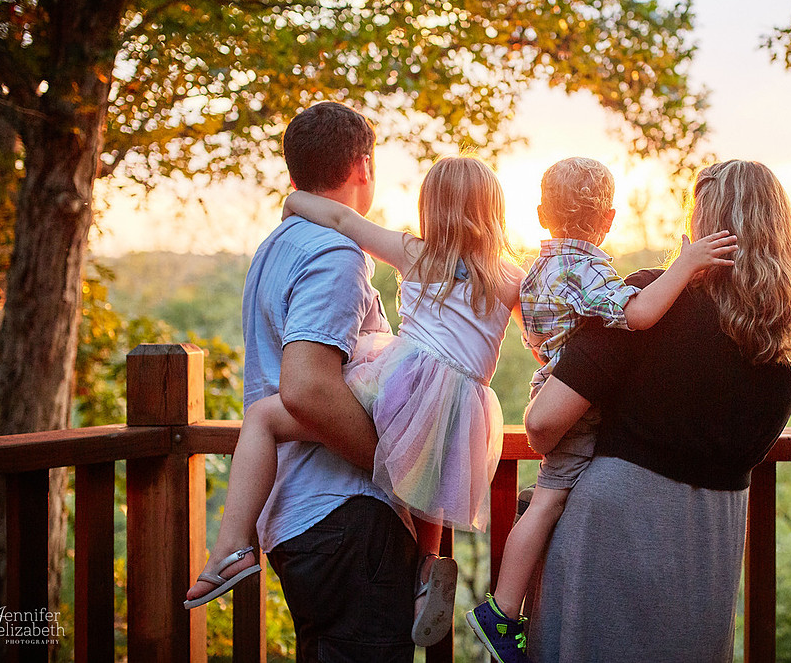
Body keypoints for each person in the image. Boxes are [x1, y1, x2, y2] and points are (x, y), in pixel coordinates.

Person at [187, 151, 524, 649]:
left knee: (262, 417)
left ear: (430, 206)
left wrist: (295, 199)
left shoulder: (417, 253)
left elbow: (345, 219)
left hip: (407, 384)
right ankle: (428, 567)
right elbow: (543, 334)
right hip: (462, 410)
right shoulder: (510, 277)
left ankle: (234, 545)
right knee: (425, 467)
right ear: (496, 211)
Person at [522, 160, 791, 662]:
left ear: (704, 225)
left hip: (613, 528)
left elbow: (542, 422)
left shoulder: (649, 303)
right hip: (711, 540)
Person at [465, 157, 737, 663]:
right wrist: (685, 266)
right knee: (547, 501)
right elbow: (638, 313)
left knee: (547, 498)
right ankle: (501, 613)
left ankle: (505, 608)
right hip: (571, 410)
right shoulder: (588, 271)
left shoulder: (539, 270)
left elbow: (534, 331)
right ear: (609, 220)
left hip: (552, 387)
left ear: (542, 213)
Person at [183, 102, 419, 661]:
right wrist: (400, 467)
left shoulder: (275, 248)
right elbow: (307, 389)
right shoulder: (334, 252)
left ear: (296, 173)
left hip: (298, 516)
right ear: (363, 167)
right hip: (343, 514)